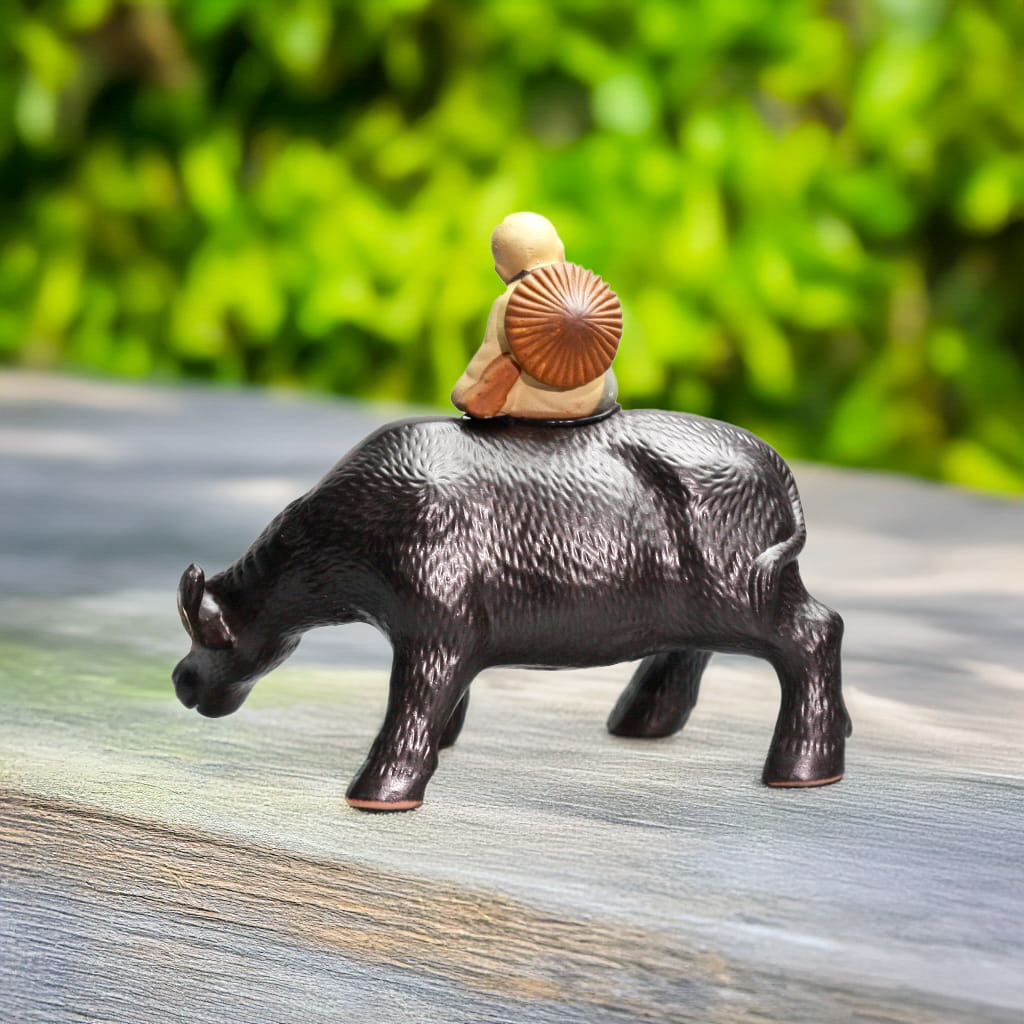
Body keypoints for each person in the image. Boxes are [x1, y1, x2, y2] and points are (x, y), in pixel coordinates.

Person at [451, 212, 619, 420]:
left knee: (466, 393)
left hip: (545, 405)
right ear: (560, 250)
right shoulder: (583, 283)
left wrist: (466, 388)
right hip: (601, 394)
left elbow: (488, 356)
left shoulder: (509, 301)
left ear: (501, 269)